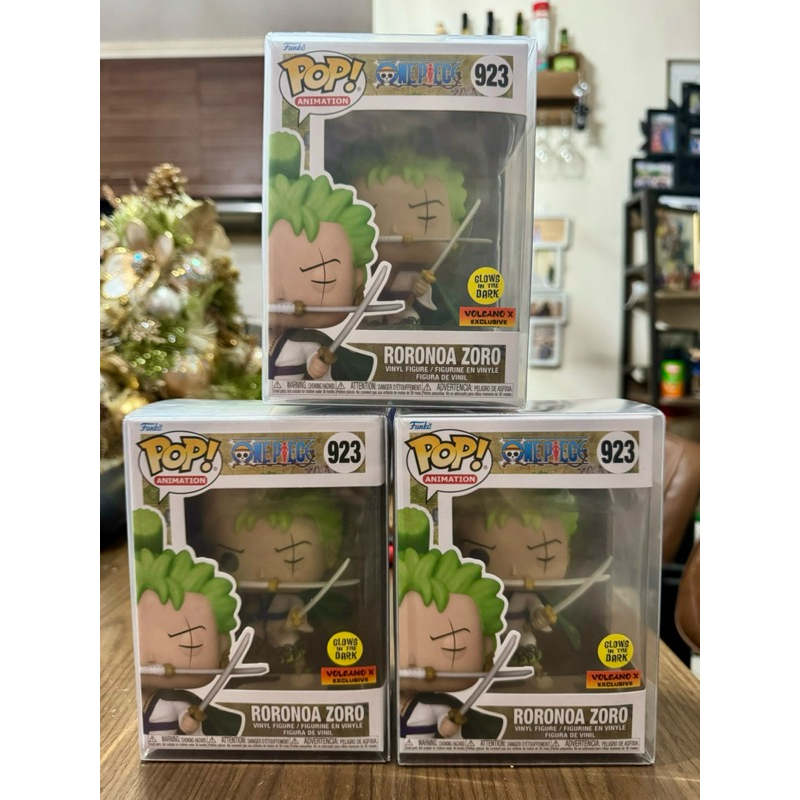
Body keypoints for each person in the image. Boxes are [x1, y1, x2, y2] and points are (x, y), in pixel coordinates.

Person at [267, 131, 380, 381]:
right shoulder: (263, 338)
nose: (279, 296)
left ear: (357, 278)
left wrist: (317, 364)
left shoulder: (307, 342)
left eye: (322, 278)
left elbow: (315, 360)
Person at [396, 508, 507, 739]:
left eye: (453, 647)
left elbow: (447, 724)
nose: (413, 662)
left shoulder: (435, 706)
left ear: (486, 646)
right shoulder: (381, 702)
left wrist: (447, 725)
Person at [134, 509, 244, 736]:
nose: (151, 658)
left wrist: (189, 722)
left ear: (223, 644)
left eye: (190, 642)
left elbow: (188, 722)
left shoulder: (174, 701)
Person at [209, 489, 345, 671]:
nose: (262, 574)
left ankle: (299, 668)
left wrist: (294, 620)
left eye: (292, 560)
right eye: (232, 560)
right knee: (247, 641)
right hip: (257, 625)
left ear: (332, 552)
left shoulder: (289, 599)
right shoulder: (254, 598)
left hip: (282, 627)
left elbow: (298, 611)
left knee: (288, 643)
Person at [342, 144, 468, 326]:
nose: (397, 231)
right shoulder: (358, 276)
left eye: (426, 217)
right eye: (372, 217)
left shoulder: (441, 289)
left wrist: (421, 290)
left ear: (455, 229)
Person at [453, 489, 579, 670]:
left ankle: (534, 670)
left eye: (544, 557)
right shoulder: (481, 593)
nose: (514, 571)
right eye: (480, 555)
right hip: (489, 633)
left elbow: (536, 607)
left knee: (527, 643)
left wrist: (540, 615)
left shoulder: (525, 596)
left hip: (519, 631)